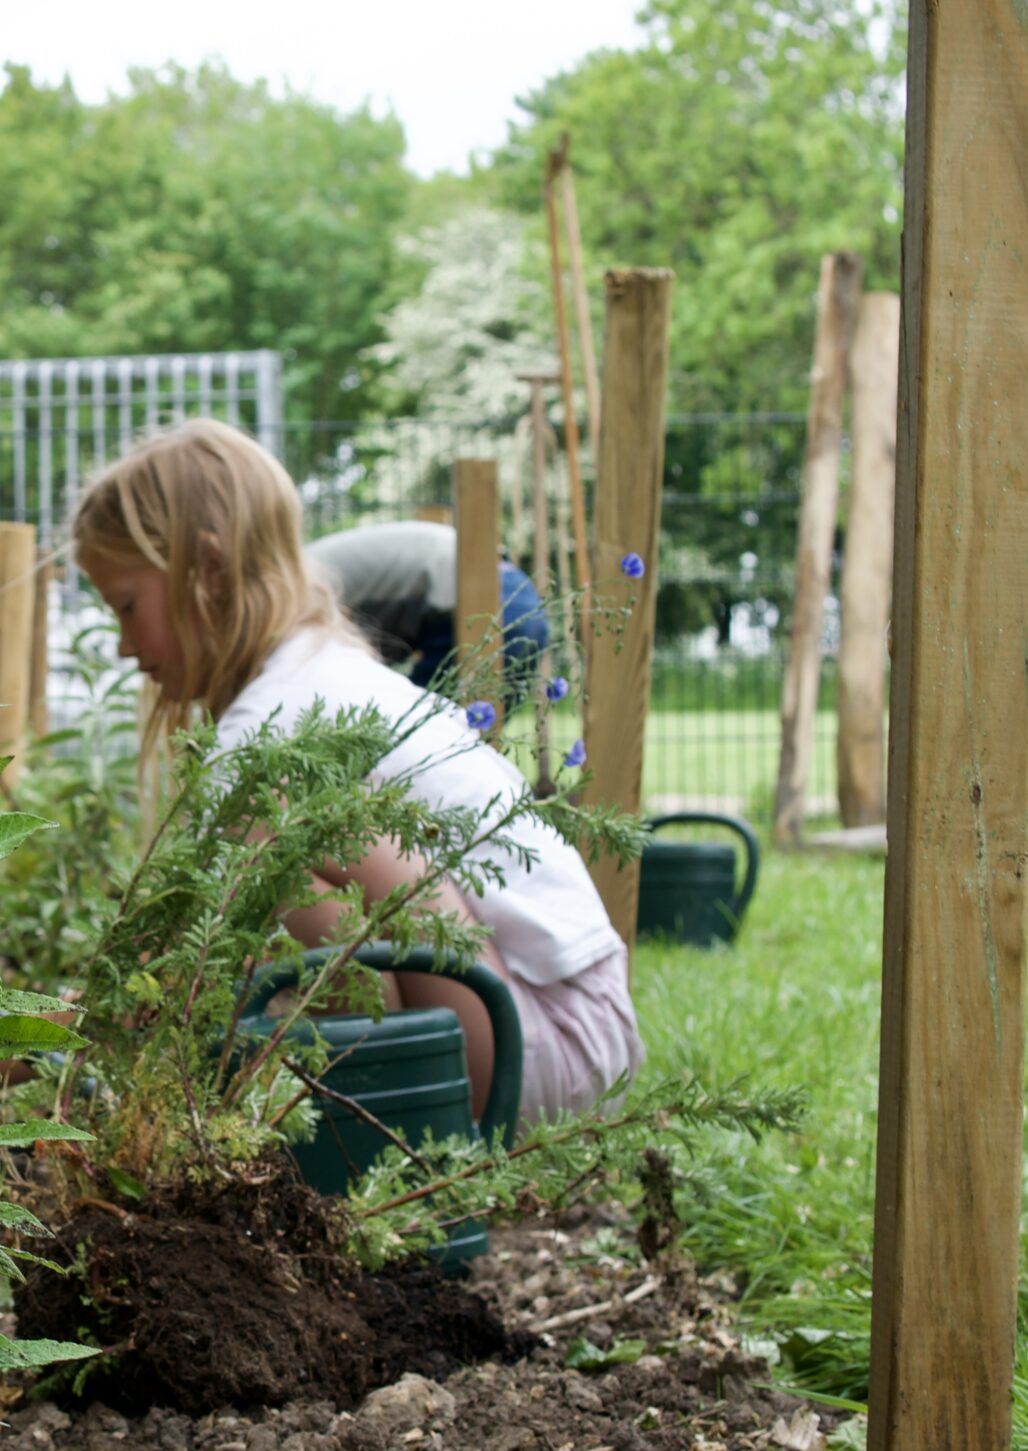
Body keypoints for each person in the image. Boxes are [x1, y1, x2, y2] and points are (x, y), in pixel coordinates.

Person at [71, 419, 640, 1125]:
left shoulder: (272, 721)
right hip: (572, 1033)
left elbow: (180, 964)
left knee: (264, 838)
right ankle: (386, 1110)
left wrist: (19, 1051)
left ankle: (385, 1127)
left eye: (127, 607)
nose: (124, 646)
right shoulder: (319, 670)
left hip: (537, 1048)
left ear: (207, 573)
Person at [306, 517, 549, 697]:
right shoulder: (302, 571)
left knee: (415, 733)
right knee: (460, 739)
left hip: (481, 597)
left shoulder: (290, 585)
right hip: (511, 588)